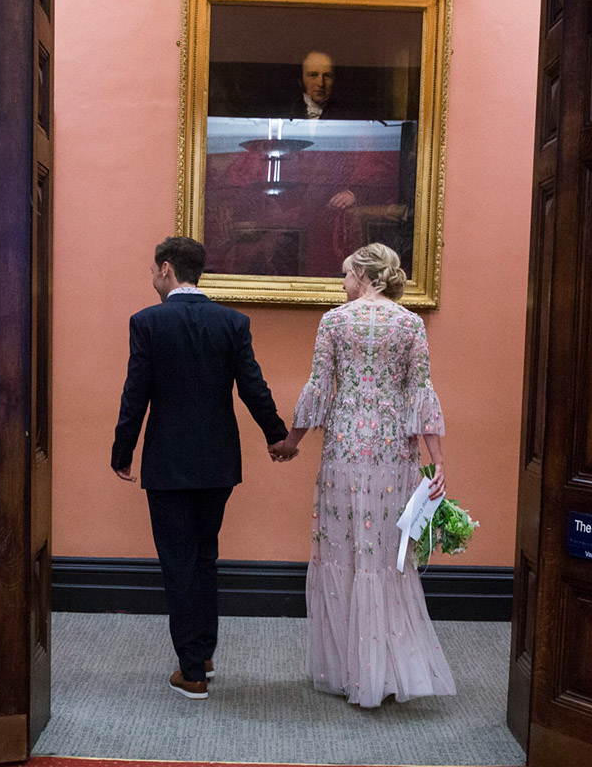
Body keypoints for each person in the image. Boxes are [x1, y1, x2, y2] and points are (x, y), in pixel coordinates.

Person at [273, 242, 456, 707]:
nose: (342, 283)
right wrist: (436, 465)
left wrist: (291, 442)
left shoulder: (335, 320)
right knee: (387, 557)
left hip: (345, 451)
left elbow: (319, 387)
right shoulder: (409, 323)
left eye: (346, 275)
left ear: (365, 275)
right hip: (393, 452)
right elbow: (420, 392)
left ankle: (350, 672)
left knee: (347, 553)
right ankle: (389, 670)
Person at [112, 236, 294, 700]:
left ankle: (191, 671)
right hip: (218, 462)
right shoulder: (232, 321)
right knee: (205, 555)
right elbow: (252, 386)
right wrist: (276, 435)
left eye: (154, 270)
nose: (152, 278)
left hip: (169, 462)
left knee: (178, 560)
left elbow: (137, 393)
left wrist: (122, 450)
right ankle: (205, 653)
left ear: (167, 269)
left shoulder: (148, 322)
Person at [287, 50, 349, 121]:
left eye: (327, 76)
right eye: (313, 75)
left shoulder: (347, 113)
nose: (321, 84)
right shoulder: (287, 110)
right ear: (300, 80)